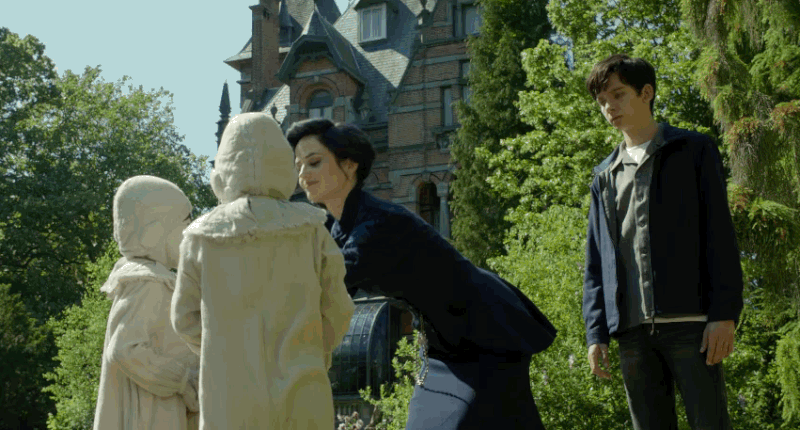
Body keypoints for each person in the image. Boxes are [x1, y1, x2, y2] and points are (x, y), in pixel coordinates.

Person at [287, 118, 557, 430]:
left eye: (314, 162)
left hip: (487, 330)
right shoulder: (338, 225)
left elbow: (329, 284)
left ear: (349, 165)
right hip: (444, 340)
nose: (303, 175)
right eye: (298, 165)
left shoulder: (375, 226)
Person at [582, 54, 744, 430]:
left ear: (646, 93)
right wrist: (595, 332)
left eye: (618, 95)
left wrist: (724, 314)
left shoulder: (694, 150)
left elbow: (719, 234)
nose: (609, 107)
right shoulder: (603, 176)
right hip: (631, 332)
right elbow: (596, 261)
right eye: (602, 101)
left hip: (692, 324)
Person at [170, 112, 354, 430]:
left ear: (222, 172)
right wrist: (313, 350)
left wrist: (220, 352)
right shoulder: (313, 231)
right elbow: (338, 309)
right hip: (303, 390)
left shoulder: (199, 239)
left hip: (229, 400)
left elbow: (184, 319)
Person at [93, 175, 199, 430]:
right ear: (154, 232)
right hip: (150, 413)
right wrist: (182, 381)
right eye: (186, 222)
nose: (190, 232)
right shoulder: (148, 282)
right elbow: (125, 349)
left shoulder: (151, 279)